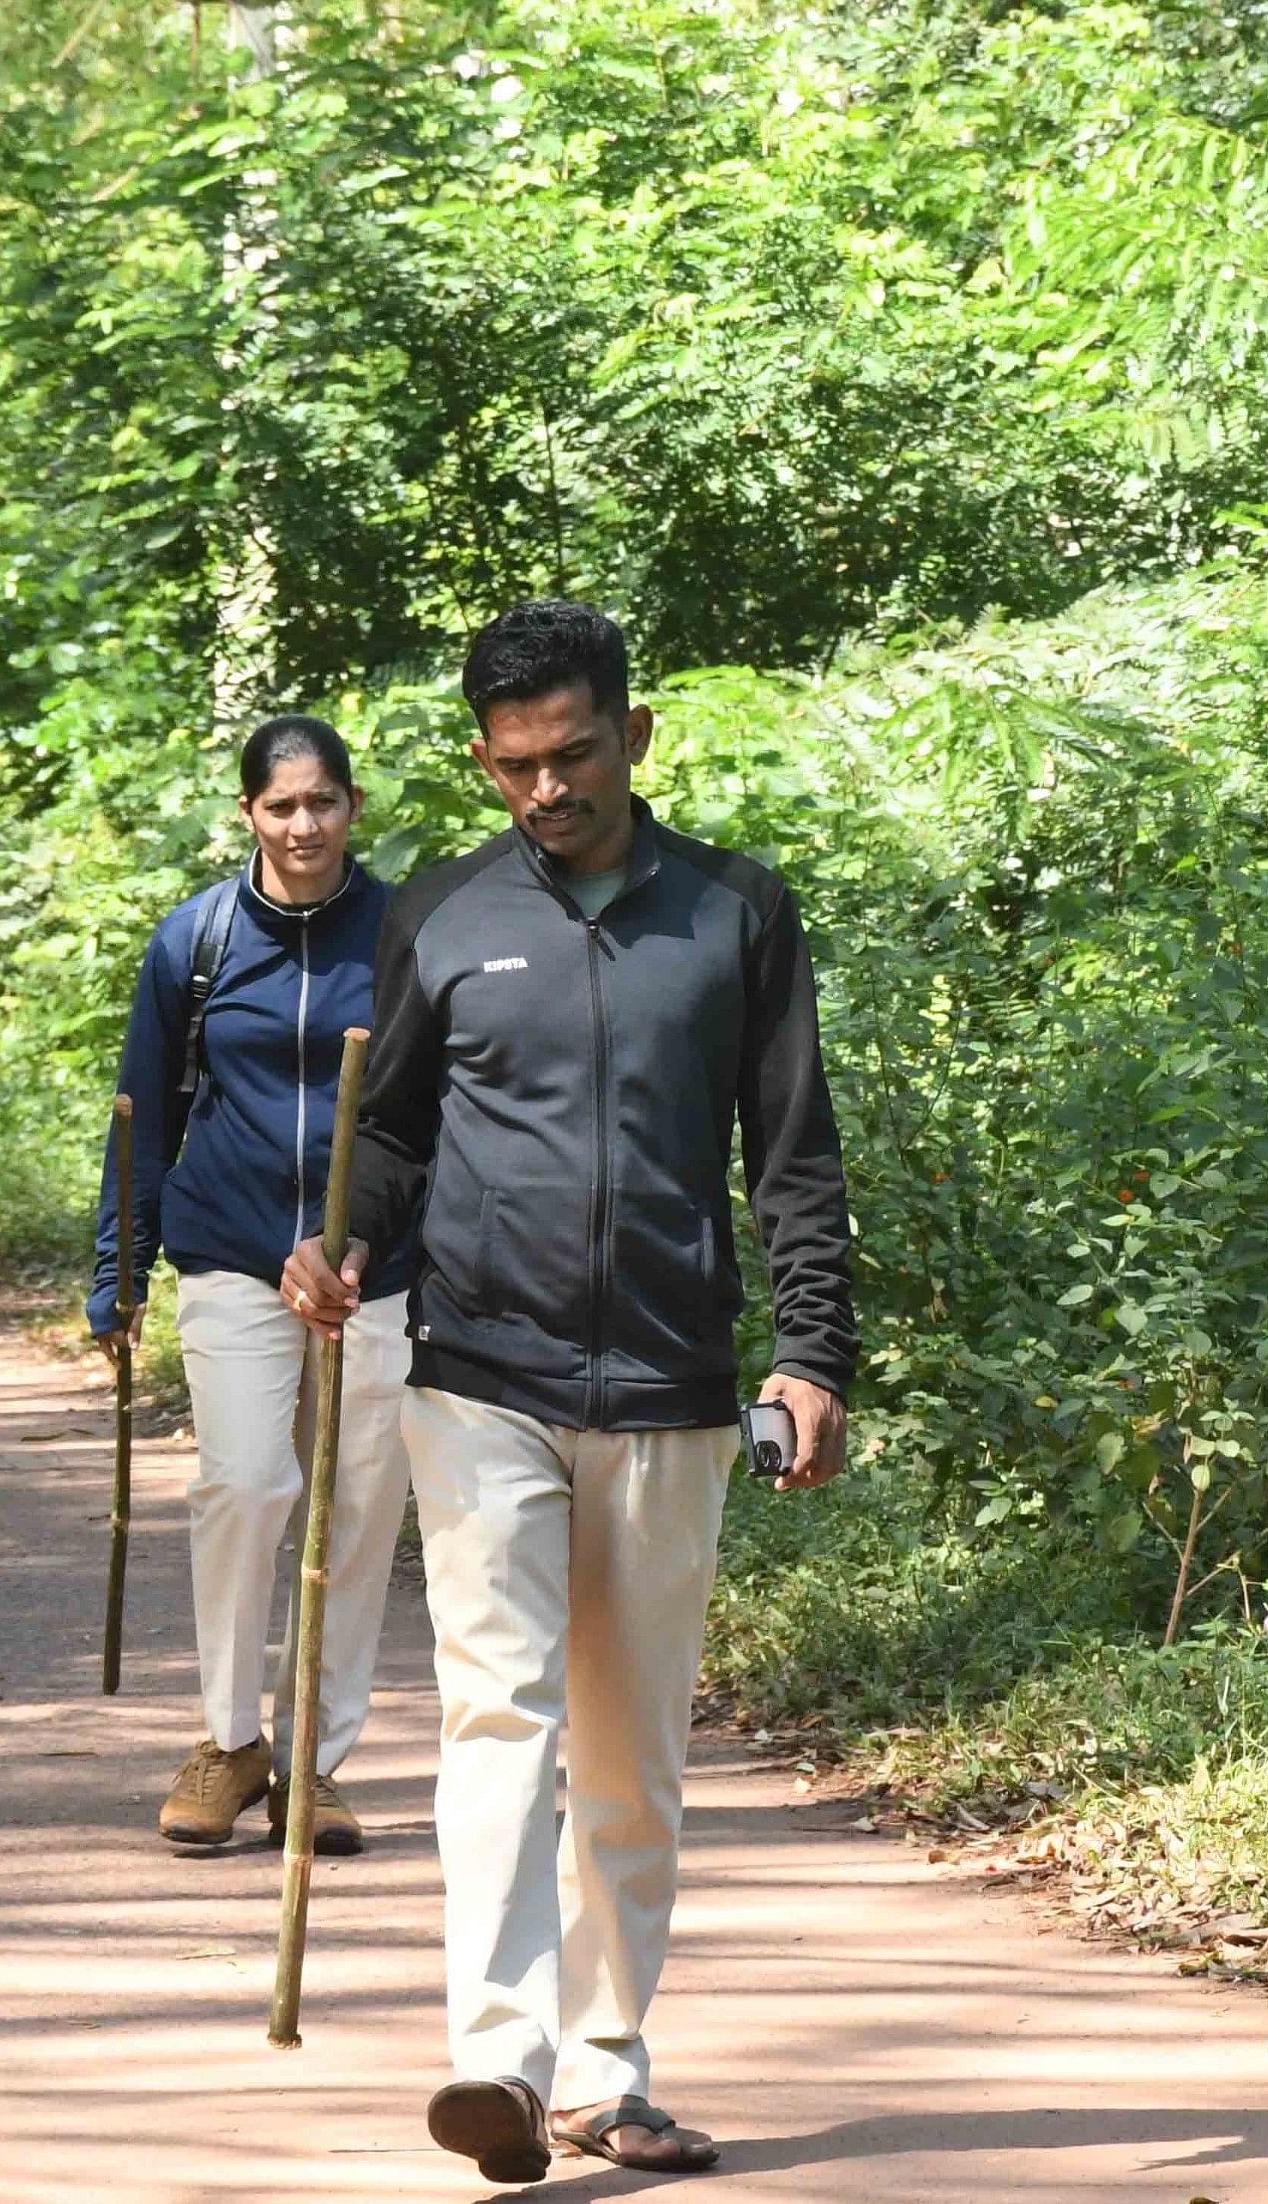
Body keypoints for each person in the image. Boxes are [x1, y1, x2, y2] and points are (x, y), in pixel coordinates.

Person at [284, 601, 858, 2183]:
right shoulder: (448, 916)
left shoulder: (735, 913)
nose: (547, 790)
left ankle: (608, 2070)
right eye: (515, 765)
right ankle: (498, 2062)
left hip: (671, 1384)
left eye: (574, 753)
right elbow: (387, 1132)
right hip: (477, 1375)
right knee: (498, 1718)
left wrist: (810, 1354)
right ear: (483, 764)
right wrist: (335, 1241)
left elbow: (791, 1158)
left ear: (634, 735)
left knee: (628, 1752)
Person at [90, 716, 418, 1856]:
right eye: (280, 805)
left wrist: (379, 1238)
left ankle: (315, 1759)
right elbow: (141, 1111)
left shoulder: (404, 936)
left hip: (373, 1271)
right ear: (247, 814)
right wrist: (116, 1270)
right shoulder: (198, 940)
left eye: (322, 801)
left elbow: (432, 1117)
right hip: (229, 1251)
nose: (303, 824)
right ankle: (230, 1741)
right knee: (243, 1482)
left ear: (352, 805)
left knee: (360, 1506)